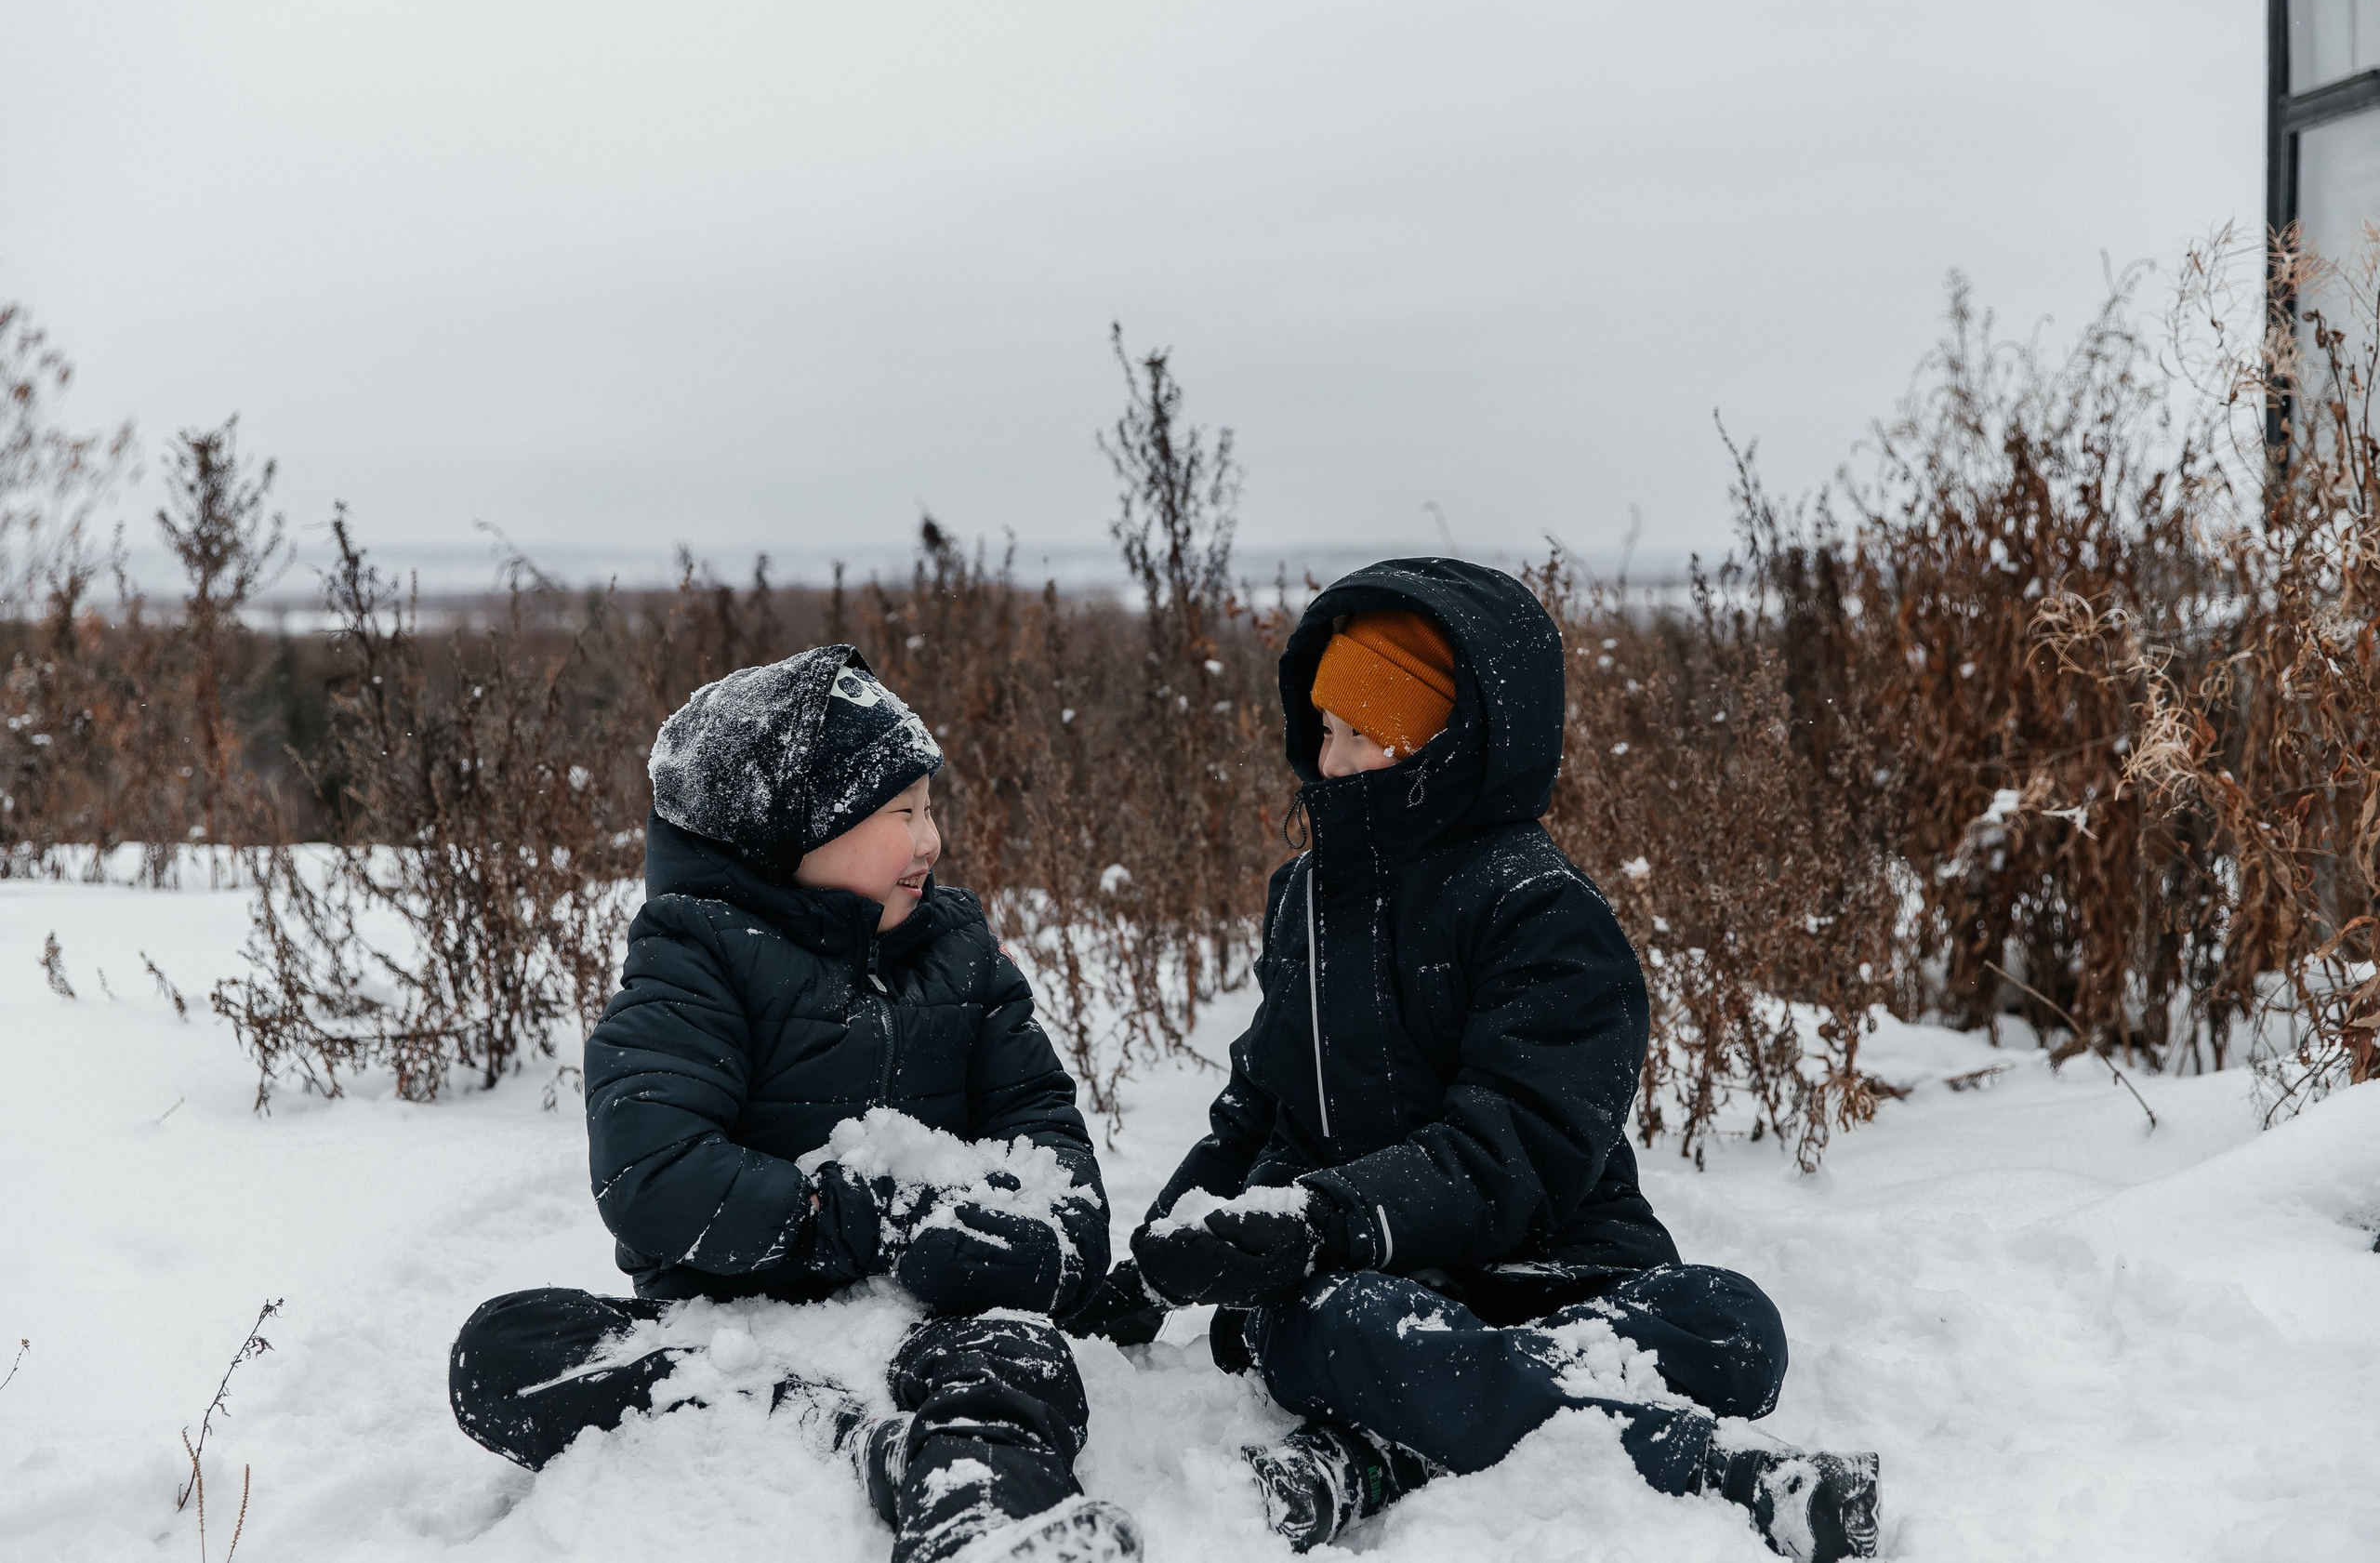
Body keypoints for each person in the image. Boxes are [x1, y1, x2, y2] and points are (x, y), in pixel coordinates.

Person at [1065, 561, 1880, 1562]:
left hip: (1557, 1271)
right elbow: (1257, 1109)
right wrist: (1163, 1252)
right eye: (1324, 729)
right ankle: (1714, 1466)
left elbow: (1521, 1138)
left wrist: (1326, 1214)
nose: (1328, 761)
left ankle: (1385, 1451)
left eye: (1361, 734)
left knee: (1735, 1325)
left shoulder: (1536, 903)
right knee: (1325, 1323)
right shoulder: (1304, 899)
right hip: (1374, 1281)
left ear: (1445, 745)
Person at [448, 645, 1138, 1563]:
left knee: (1021, 1357)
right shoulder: (698, 955)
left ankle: (976, 1512)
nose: (929, 839)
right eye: (901, 813)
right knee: (504, 1345)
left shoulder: (962, 956)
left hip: (934, 1322)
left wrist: (1021, 1249)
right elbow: (650, 1166)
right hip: (733, 1326)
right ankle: (822, 1422)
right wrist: (863, 1216)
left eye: (930, 809)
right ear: (796, 835)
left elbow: (1060, 1172)